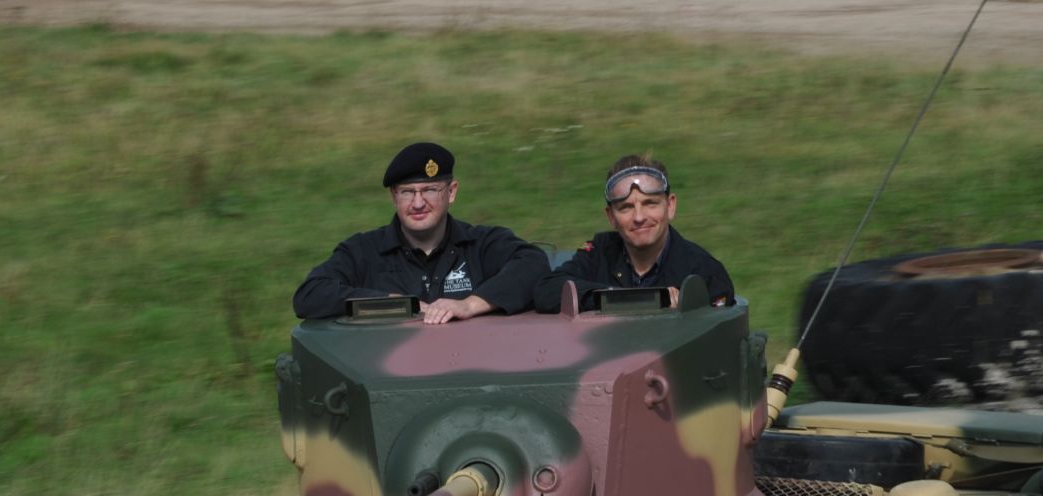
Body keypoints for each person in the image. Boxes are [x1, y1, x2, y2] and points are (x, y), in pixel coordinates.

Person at [293, 142, 549, 326]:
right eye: (407, 192)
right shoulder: (363, 251)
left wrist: (469, 305)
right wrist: (396, 303)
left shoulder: (480, 243)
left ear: (451, 192)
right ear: (394, 196)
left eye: (429, 190)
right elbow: (310, 295)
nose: (417, 203)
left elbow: (534, 264)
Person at [533, 155, 735, 313]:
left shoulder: (704, 272)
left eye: (650, 204)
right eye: (625, 208)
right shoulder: (600, 253)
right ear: (611, 216)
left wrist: (684, 317)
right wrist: (615, 299)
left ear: (670, 206)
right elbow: (547, 290)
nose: (639, 217)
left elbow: (720, 341)